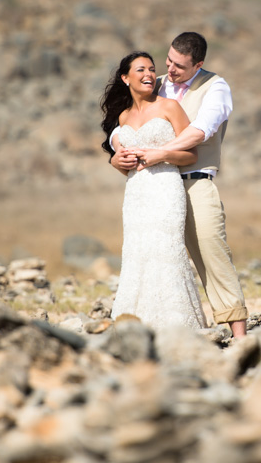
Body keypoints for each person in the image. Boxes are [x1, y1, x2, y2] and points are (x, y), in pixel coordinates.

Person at [110, 32, 248, 338]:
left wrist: (162, 152)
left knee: (212, 250)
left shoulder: (215, 87)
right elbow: (122, 123)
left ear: (198, 64)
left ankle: (239, 333)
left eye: (179, 66)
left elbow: (200, 131)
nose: (169, 70)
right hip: (152, 187)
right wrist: (115, 153)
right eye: (169, 61)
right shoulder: (153, 82)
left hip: (194, 179)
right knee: (154, 253)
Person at [100, 51, 207, 329]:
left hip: (165, 189)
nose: (149, 74)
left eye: (152, 69)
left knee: (166, 251)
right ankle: (135, 323)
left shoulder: (169, 107)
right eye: (140, 70)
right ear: (125, 78)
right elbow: (126, 165)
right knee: (138, 252)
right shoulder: (122, 118)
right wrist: (116, 161)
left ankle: (176, 324)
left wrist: (161, 155)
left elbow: (191, 154)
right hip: (136, 193)